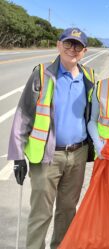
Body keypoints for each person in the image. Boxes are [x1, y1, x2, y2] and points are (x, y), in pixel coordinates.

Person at [8, 27, 95, 249]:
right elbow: (24, 113)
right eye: (68, 43)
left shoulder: (89, 77)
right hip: (48, 157)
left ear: (84, 51)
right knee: (41, 214)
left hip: (78, 154)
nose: (72, 49)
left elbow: (95, 115)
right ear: (58, 45)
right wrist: (18, 156)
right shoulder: (42, 73)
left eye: (77, 46)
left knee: (67, 212)